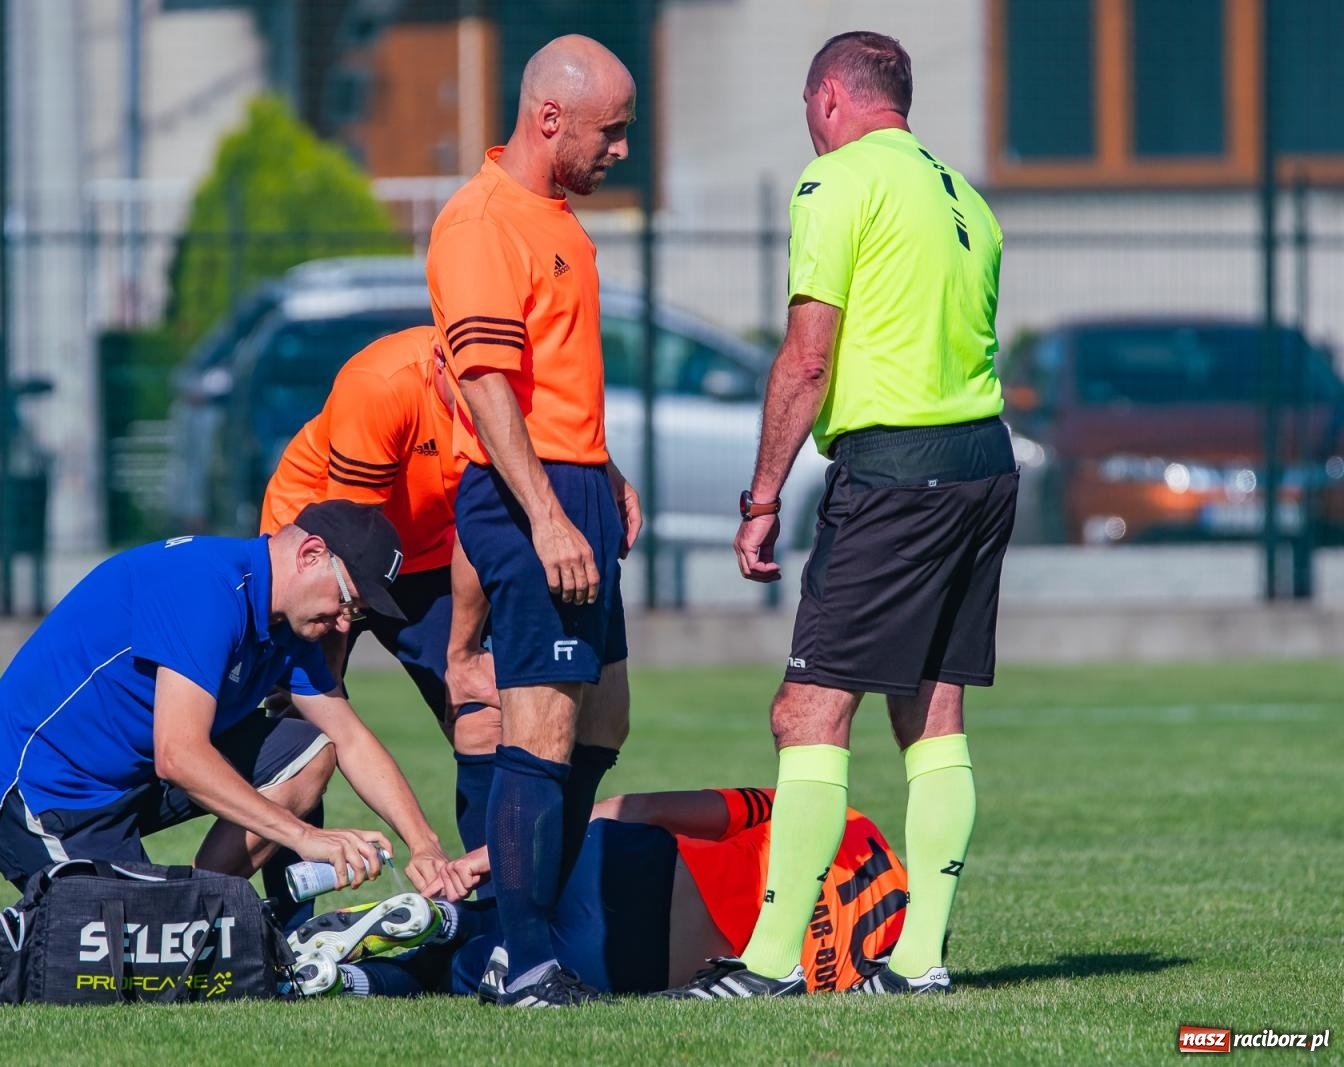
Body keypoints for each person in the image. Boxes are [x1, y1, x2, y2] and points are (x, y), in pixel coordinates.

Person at [666, 31, 1015, 1000]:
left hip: (896, 473)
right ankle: (920, 958)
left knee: (807, 709)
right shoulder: (964, 197)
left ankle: (769, 962)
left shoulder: (837, 183)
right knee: (932, 709)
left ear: (829, 98)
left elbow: (806, 358)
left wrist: (762, 498)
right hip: (982, 464)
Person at [0, 500, 465, 1000]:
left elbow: (351, 738)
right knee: (115, 973)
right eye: (347, 601)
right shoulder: (206, 587)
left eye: (356, 614)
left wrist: (426, 846)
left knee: (309, 749)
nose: (344, 624)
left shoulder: (290, 627)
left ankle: (192, 918)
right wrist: (306, 838)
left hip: (123, 786)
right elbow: (178, 755)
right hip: (34, 793)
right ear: (310, 554)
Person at [423, 33, 643, 1007]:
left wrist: (606, 471)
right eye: (612, 131)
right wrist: (549, 514)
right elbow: (487, 387)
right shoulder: (480, 222)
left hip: (573, 482)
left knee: (601, 717)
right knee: (541, 726)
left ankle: (531, 934)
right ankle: (522, 957)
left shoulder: (553, 217)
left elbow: (551, 378)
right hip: (526, 497)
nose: (622, 150)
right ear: (548, 117)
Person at [286, 788, 907, 1000]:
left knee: (508, 915)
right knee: (462, 973)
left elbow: (634, 808)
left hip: (629, 861)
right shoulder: (875, 960)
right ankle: (351, 982)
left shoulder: (845, 815)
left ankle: (446, 918)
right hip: (645, 958)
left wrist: (490, 857)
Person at [258, 325, 502, 855]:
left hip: (426, 552)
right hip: (324, 547)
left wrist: (463, 657)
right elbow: (349, 549)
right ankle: (284, 910)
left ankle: (495, 902)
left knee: (480, 708)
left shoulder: (509, 380)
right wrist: (327, 684)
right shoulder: (381, 385)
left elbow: (485, 532)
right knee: (304, 727)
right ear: (441, 361)